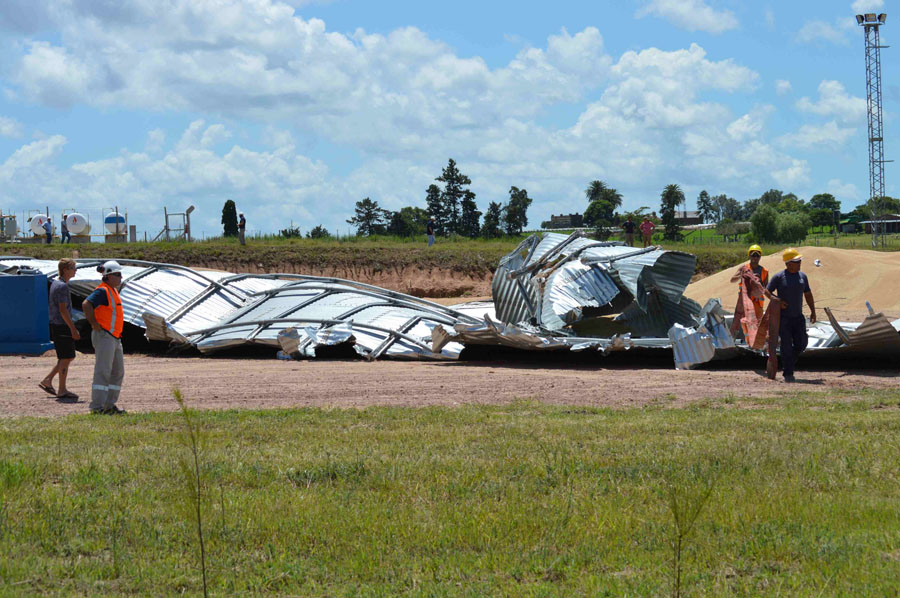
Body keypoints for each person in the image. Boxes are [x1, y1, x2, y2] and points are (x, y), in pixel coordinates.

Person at [764, 248, 816, 383]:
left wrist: (813, 311)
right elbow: (767, 292)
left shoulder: (803, 277)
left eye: (799, 261)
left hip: (798, 317)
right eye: (796, 261)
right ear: (788, 263)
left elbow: (808, 294)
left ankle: (789, 362)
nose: (799, 263)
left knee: (802, 343)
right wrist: (777, 301)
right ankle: (788, 373)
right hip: (784, 318)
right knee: (786, 345)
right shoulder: (779, 277)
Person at [83, 260, 127, 414]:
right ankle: (97, 407)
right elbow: (86, 304)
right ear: (108, 276)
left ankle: (109, 405)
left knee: (117, 372)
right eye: (117, 275)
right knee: (103, 371)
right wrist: (94, 324)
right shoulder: (102, 291)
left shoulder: (112, 290)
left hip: (114, 337)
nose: (120, 278)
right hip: (104, 336)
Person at [39, 259, 81, 401]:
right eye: (73, 267)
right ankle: (61, 389)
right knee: (66, 357)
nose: (75, 270)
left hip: (57, 325)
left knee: (66, 357)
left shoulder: (56, 283)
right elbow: (63, 310)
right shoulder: (62, 286)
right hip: (61, 325)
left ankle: (48, 380)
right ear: (65, 269)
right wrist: (73, 328)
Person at [740, 244, 768, 318]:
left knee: (758, 326)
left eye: (757, 255)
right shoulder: (744, 269)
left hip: (758, 304)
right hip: (747, 304)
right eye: (753, 255)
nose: (755, 257)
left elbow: (766, 288)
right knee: (747, 326)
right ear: (749, 256)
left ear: (760, 257)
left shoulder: (764, 271)